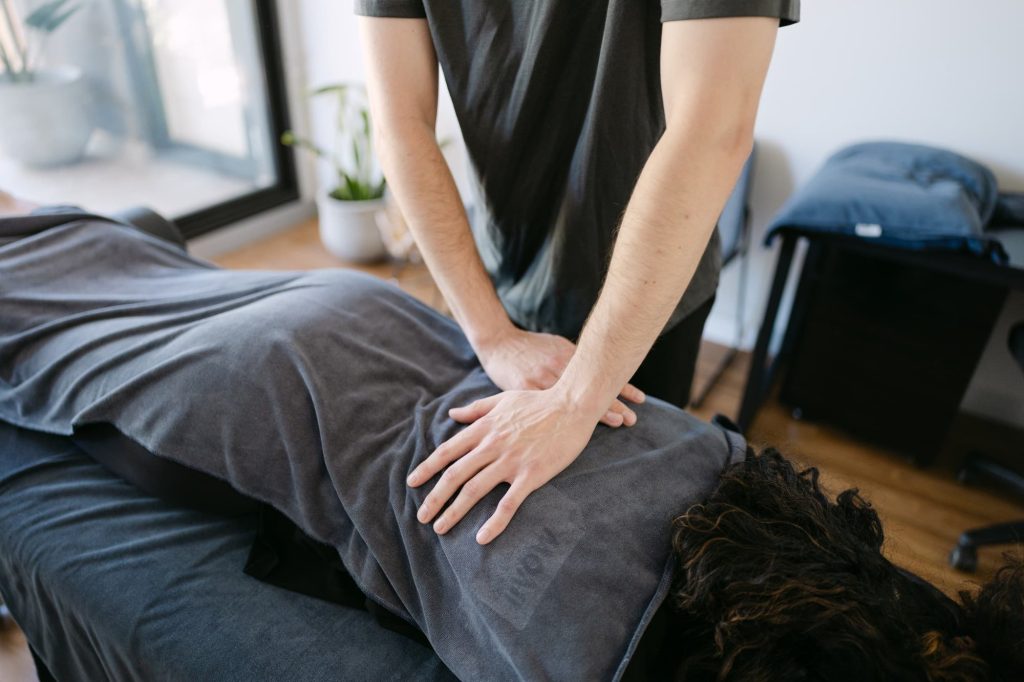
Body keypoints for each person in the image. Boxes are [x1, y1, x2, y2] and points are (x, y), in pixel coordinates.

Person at [1, 200, 1021, 680]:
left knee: (84, 279)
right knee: (49, 318)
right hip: (277, 383)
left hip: (352, 320)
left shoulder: (755, 497)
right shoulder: (575, 652)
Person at [356, 1, 801, 544]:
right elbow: (399, 123)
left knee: (628, 530)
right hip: (499, 279)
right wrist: (492, 334)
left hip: (652, 301)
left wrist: (575, 399)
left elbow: (714, 127)